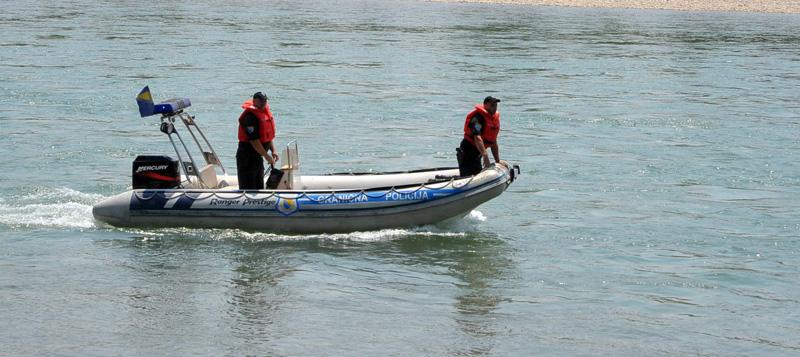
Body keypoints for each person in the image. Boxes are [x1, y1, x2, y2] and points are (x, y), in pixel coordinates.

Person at [236, 92, 279, 190]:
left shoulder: (264, 113)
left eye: (265, 101)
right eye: (262, 101)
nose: (265, 103)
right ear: (255, 101)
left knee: (259, 185)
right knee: (249, 187)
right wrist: (267, 156)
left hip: (258, 157)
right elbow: (254, 141)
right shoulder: (250, 118)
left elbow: (267, 136)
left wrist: (273, 150)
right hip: (247, 157)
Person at [458, 96, 501, 177]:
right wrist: (485, 155)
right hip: (468, 151)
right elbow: (477, 138)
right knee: (467, 176)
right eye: (492, 105)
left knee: (477, 173)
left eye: (496, 105)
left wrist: (497, 160)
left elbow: (493, 141)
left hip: (478, 152)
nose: (495, 108)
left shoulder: (493, 120)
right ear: (485, 105)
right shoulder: (477, 119)